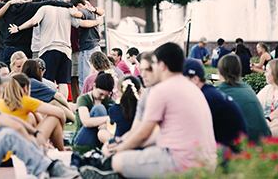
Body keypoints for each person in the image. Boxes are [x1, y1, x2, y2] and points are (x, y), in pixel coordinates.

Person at [84, 43, 217, 179]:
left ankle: (110, 172)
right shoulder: (190, 87)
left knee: (117, 160)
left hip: (181, 163)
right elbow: (155, 134)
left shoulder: (161, 90)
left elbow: (143, 133)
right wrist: (120, 143)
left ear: (162, 65)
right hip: (207, 162)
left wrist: (117, 150)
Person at [0, 68, 79, 179]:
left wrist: (35, 132)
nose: (3, 88)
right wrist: (31, 141)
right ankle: (49, 168)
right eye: (1, 86)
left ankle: (46, 167)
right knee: (8, 134)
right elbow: (15, 126)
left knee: (5, 131)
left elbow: (10, 119)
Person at [7, 0, 100, 100]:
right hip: (66, 50)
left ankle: (50, 103)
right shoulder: (66, 10)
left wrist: (18, 28)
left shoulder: (44, 8)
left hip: (49, 49)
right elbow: (82, 24)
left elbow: (33, 22)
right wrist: (97, 21)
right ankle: (63, 105)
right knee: (63, 82)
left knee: (47, 81)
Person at [0, 73, 67, 166]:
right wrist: (60, 131)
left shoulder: (0, 103)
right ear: (26, 88)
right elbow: (61, 113)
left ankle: (51, 147)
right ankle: (61, 150)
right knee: (54, 118)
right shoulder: (24, 100)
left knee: (30, 117)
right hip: (16, 155)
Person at [0, 0, 73, 66]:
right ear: (30, 0)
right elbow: (50, 3)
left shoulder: (4, 7)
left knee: (8, 73)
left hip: (9, 47)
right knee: (25, 75)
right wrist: (70, 5)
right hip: (25, 47)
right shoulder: (30, 7)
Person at [183, 59, 247, 147]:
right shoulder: (209, 93)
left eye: (183, 80)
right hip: (232, 147)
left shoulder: (207, 98)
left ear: (195, 79)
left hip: (232, 153)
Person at [217, 55, 271, 142]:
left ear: (220, 71)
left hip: (246, 144)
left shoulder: (219, 92)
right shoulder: (247, 88)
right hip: (264, 139)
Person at [70, 0, 103, 93]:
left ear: (79, 5)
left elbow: (76, 14)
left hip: (88, 48)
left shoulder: (86, 12)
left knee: (85, 79)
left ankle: (85, 101)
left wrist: (68, 8)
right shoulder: (93, 12)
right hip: (93, 46)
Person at [73, 72, 115, 146]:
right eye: (101, 94)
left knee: (110, 107)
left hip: (99, 135)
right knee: (99, 108)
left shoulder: (108, 100)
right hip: (82, 138)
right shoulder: (83, 99)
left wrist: (106, 125)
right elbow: (86, 122)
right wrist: (108, 119)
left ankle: (104, 138)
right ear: (94, 86)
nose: (103, 97)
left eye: (106, 95)